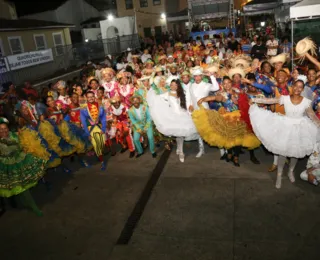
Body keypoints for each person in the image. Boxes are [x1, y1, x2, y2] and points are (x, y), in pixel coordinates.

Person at [249, 80, 320, 188]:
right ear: (292, 86)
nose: (297, 89)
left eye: (300, 87)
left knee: (295, 152)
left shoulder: (306, 102)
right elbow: (269, 100)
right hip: (285, 127)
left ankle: (291, 171)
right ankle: (279, 175)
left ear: (303, 89)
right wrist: (254, 99)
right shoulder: (284, 98)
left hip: (300, 129)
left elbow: (313, 116)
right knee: (282, 152)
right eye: (296, 86)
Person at [0, 117, 46, 216]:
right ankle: (25, 203)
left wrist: (24, 149)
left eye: (5, 128)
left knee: (23, 188)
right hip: (7, 167)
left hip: (20, 162)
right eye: (1, 129)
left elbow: (21, 146)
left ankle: (33, 207)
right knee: (17, 188)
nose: (4, 131)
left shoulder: (14, 135)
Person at [147, 79, 199, 162]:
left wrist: (189, 111)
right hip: (173, 116)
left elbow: (185, 103)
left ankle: (180, 149)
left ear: (178, 86)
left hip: (182, 115)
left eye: (175, 85)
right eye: (172, 85)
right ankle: (181, 151)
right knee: (179, 134)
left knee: (180, 134)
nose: (173, 86)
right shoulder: (166, 94)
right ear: (170, 86)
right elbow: (157, 99)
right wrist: (151, 90)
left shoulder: (182, 93)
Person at [187, 66, 220, 158]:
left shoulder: (206, 85)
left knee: (210, 129)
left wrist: (211, 76)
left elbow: (216, 87)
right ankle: (201, 149)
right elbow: (190, 97)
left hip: (204, 109)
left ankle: (221, 147)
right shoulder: (191, 85)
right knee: (199, 130)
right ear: (193, 77)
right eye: (195, 76)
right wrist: (190, 104)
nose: (197, 78)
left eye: (199, 76)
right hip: (195, 111)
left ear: (202, 76)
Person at [80, 91, 107, 170]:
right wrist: (87, 133)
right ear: (86, 98)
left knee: (102, 143)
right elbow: (83, 121)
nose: (90, 98)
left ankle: (99, 154)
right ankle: (102, 162)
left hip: (100, 127)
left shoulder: (100, 105)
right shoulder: (83, 108)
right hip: (90, 129)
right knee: (96, 145)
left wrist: (103, 128)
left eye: (92, 96)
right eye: (89, 97)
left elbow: (103, 117)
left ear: (94, 96)